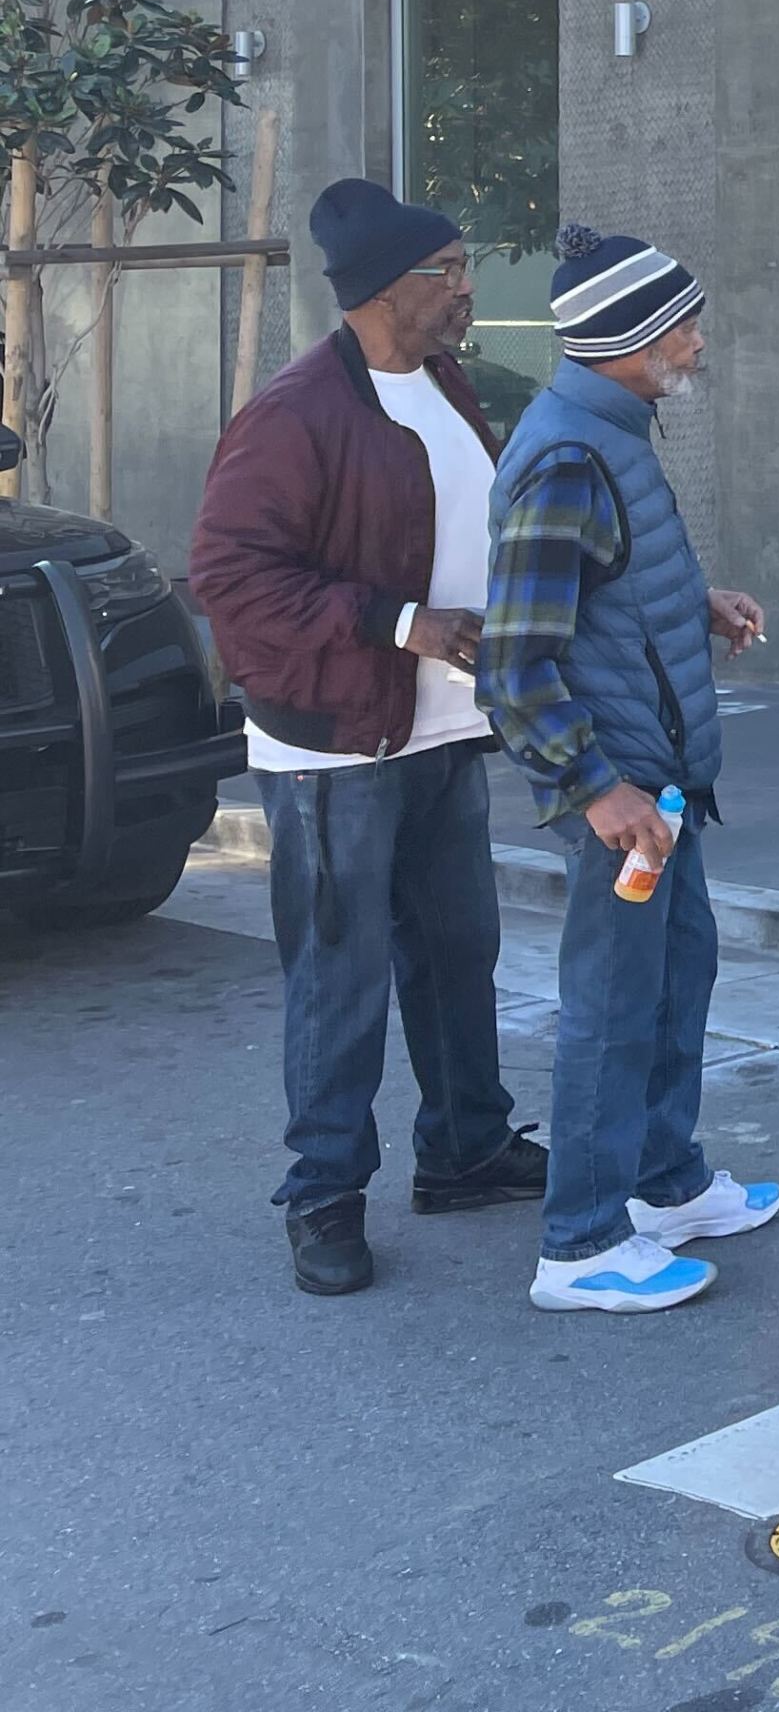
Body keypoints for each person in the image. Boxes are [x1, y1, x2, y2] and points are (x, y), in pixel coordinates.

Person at [190, 180, 545, 1296]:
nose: (466, 289)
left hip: (442, 730)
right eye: (448, 272)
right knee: (341, 977)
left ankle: (465, 1148)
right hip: (338, 747)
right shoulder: (297, 415)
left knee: (457, 953)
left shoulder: (442, 382)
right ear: (389, 290)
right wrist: (399, 622)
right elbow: (229, 575)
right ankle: (323, 1196)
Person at [478, 225, 775, 1315]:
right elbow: (513, 662)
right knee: (612, 1003)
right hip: (622, 790)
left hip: (659, 781)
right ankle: (581, 1241)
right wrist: (596, 791)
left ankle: (663, 1185)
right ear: (628, 339)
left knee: (676, 971)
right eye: (681, 327)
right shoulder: (567, 453)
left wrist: (699, 603)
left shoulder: (609, 429)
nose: (695, 347)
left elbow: (606, 581)